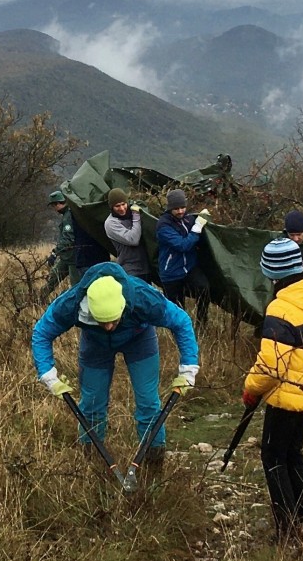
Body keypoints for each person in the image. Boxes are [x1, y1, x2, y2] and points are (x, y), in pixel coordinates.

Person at [32, 262, 199, 473]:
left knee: (148, 402)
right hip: (95, 345)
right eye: (102, 321)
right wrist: (49, 375)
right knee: (92, 404)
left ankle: (154, 466)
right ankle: (91, 465)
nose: (109, 327)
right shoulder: (72, 303)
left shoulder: (142, 297)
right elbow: (42, 332)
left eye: (112, 320)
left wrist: (188, 369)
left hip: (139, 340)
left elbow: (181, 321)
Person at [244, 236, 303, 543]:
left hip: (286, 395)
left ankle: (288, 530)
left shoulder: (280, 308)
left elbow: (271, 367)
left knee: (273, 457)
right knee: (293, 454)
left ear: (274, 273)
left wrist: (251, 389)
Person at [156, 188, 212, 326]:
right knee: (177, 311)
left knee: (204, 288)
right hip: (171, 273)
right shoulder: (163, 226)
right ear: (170, 208)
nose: (180, 211)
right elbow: (182, 245)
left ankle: (201, 323)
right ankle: (180, 334)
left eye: (182, 207)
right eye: (176, 208)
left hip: (189, 268)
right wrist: (197, 226)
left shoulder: (188, 219)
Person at [103, 188, 153, 282]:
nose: (122, 209)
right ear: (111, 207)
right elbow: (133, 239)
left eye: (123, 204)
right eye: (117, 206)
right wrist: (136, 216)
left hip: (146, 267)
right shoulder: (111, 223)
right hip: (131, 271)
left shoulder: (131, 214)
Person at [45, 189, 76, 288]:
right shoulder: (68, 214)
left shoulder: (68, 216)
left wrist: (55, 253)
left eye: (54, 205)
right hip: (67, 256)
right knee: (53, 279)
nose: (54, 208)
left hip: (73, 257)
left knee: (76, 287)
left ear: (58, 203)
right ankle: (39, 299)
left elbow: (68, 239)